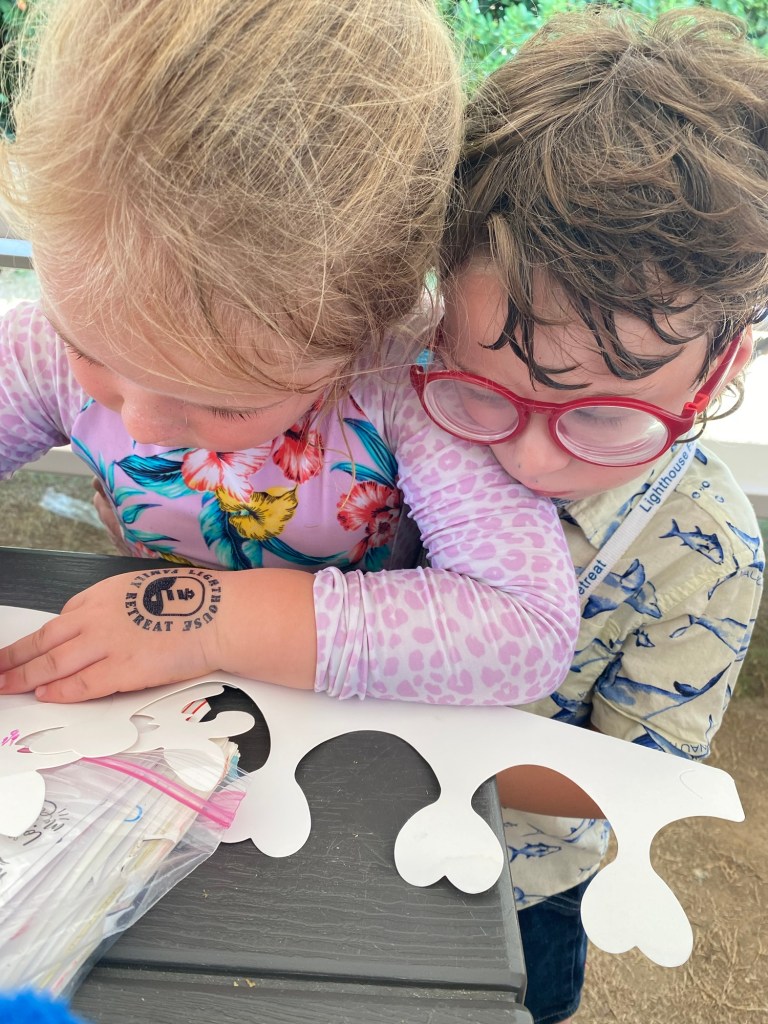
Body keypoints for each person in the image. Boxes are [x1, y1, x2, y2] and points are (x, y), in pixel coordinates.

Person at [0, 0, 579, 706]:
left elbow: (527, 631)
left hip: (341, 722)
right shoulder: (38, 348)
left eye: (225, 403)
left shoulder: (410, 380)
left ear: (366, 328)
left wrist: (205, 625)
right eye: (84, 349)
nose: (142, 425)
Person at [413, 9, 766, 1023]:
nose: (528, 458)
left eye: (604, 418)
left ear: (719, 370)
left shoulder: (709, 550)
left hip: (522, 888)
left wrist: (404, 726)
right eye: (480, 391)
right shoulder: (400, 401)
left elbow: (634, 776)